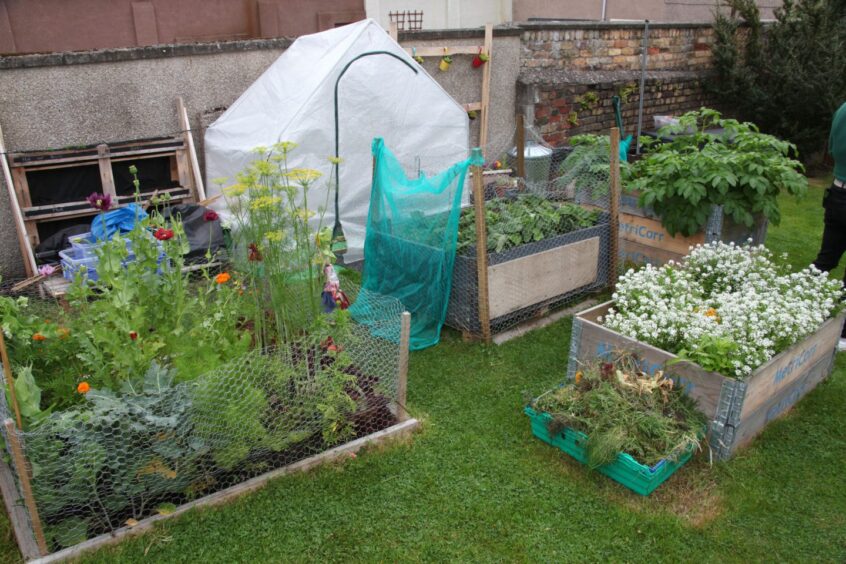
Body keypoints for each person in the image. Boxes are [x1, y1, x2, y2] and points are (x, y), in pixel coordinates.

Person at [812, 101, 846, 350]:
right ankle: (842, 333)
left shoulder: (843, 109)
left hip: (838, 194)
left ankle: (801, 308)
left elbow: (833, 148)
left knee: (825, 259)